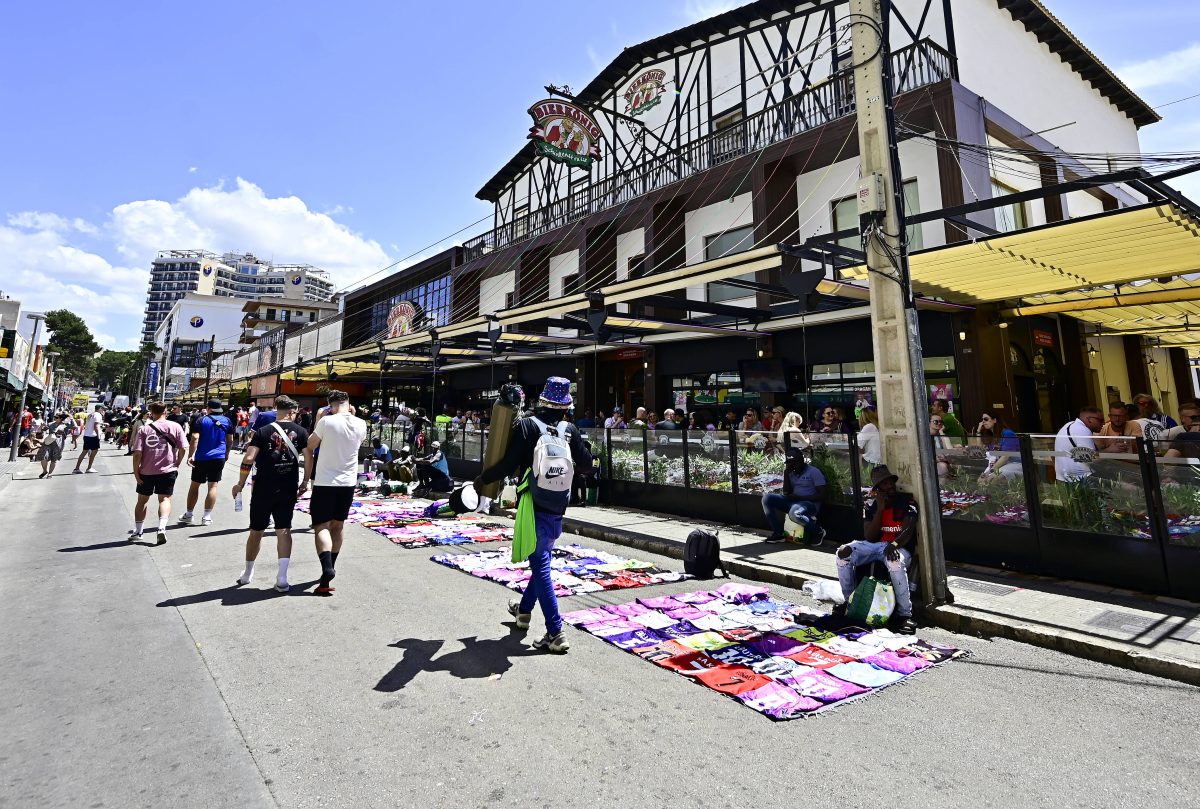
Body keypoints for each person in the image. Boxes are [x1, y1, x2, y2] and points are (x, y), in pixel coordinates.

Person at [474, 376, 592, 653]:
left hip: (534, 503)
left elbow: (508, 464)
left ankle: (555, 632)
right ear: (565, 405)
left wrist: (482, 479)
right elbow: (586, 466)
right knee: (542, 558)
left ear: (542, 399)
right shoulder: (569, 429)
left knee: (541, 566)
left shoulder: (529, 425)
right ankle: (524, 612)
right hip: (558, 505)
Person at [232, 395, 308, 592]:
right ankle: (282, 578)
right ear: (292, 412)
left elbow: (249, 458)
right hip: (288, 486)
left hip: (263, 487)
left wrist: (240, 483)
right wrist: (306, 480)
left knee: (256, 530)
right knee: (284, 529)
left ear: (277, 410)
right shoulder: (301, 431)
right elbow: (309, 457)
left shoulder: (262, 431)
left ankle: (248, 573)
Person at [834, 465, 917, 634]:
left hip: (898, 547)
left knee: (894, 561)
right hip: (876, 546)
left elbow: (908, 530)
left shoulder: (907, 502)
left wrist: (894, 545)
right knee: (843, 553)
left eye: (890, 483)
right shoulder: (872, 507)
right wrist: (880, 509)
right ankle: (851, 601)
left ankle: (905, 615)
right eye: (883, 485)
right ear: (878, 490)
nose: (889, 487)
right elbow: (870, 537)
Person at [299, 390, 367, 596]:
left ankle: (326, 567)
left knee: (321, 525)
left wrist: (320, 418)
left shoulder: (327, 422)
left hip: (325, 481)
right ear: (349, 403)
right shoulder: (361, 424)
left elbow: (309, 446)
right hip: (347, 483)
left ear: (331, 406)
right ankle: (329, 570)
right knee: (338, 525)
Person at [130, 402, 187, 544]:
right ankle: (161, 528)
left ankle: (138, 531)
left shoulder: (144, 429)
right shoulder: (175, 426)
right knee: (165, 499)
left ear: (151, 412)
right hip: (168, 469)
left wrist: (136, 471)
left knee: (142, 500)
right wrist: (177, 463)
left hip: (146, 471)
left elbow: (137, 453)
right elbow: (183, 448)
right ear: (165, 411)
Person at [181, 399, 234, 525]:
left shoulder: (201, 420)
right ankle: (207, 516)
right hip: (218, 457)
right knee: (213, 486)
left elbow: (194, 438)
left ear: (209, 408)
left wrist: (190, 455)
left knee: (195, 485)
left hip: (202, 457)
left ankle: (189, 514)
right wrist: (226, 454)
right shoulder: (227, 421)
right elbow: (230, 440)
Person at [763, 446, 827, 545]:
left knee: (794, 513)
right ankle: (778, 534)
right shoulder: (791, 473)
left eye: (794, 463)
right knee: (767, 498)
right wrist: (786, 474)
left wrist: (801, 498)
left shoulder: (814, 472)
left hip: (809, 504)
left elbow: (822, 495)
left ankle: (818, 531)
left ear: (802, 461)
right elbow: (786, 492)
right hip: (794, 501)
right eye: (790, 463)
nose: (792, 466)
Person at [1054, 406, 1103, 482]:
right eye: (1100, 420)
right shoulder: (1083, 430)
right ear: (1089, 419)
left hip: (1063, 477)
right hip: (1079, 478)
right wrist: (1111, 450)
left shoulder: (1070, 425)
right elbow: (1090, 458)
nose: (1103, 423)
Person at [976, 412, 1022, 481]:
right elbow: (980, 450)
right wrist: (978, 431)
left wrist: (990, 472)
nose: (983, 421)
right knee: (980, 480)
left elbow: (1005, 457)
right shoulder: (992, 436)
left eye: (986, 419)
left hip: (1015, 463)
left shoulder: (1007, 434)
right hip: (1003, 464)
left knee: (991, 479)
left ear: (994, 420)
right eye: (982, 419)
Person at [72, 405, 105, 474]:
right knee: (94, 452)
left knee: (84, 452)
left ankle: (77, 468)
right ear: (100, 409)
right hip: (93, 436)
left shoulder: (91, 414)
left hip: (87, 435)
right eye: (103, 409)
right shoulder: (98, 415)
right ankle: (89, 468)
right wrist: (98, 436)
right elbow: (95, 426)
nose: (103, 411)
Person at [37, 413, 69, 478]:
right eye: (55, 417)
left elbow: (65, 436)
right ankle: (45, 471)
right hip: (49, 442)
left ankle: (50, 474)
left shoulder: (65, 426)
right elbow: (41, 430)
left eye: (57, 417)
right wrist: (41, 426)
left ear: (61, 419)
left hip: (58, 444)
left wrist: (60, 433)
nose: (55, 418)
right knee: (43, 456)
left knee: (54, 460)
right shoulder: (51, 424)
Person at [930, 413, 953, 479]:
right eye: (936, 422)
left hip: (943, 460)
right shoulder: (926, 436)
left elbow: (949, 450)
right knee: (942, 466)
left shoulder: (940, 435)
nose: (939, 423)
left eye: (941, 422)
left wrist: (941, 432)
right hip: (932, 463)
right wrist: (935, 459)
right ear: (929, 423)